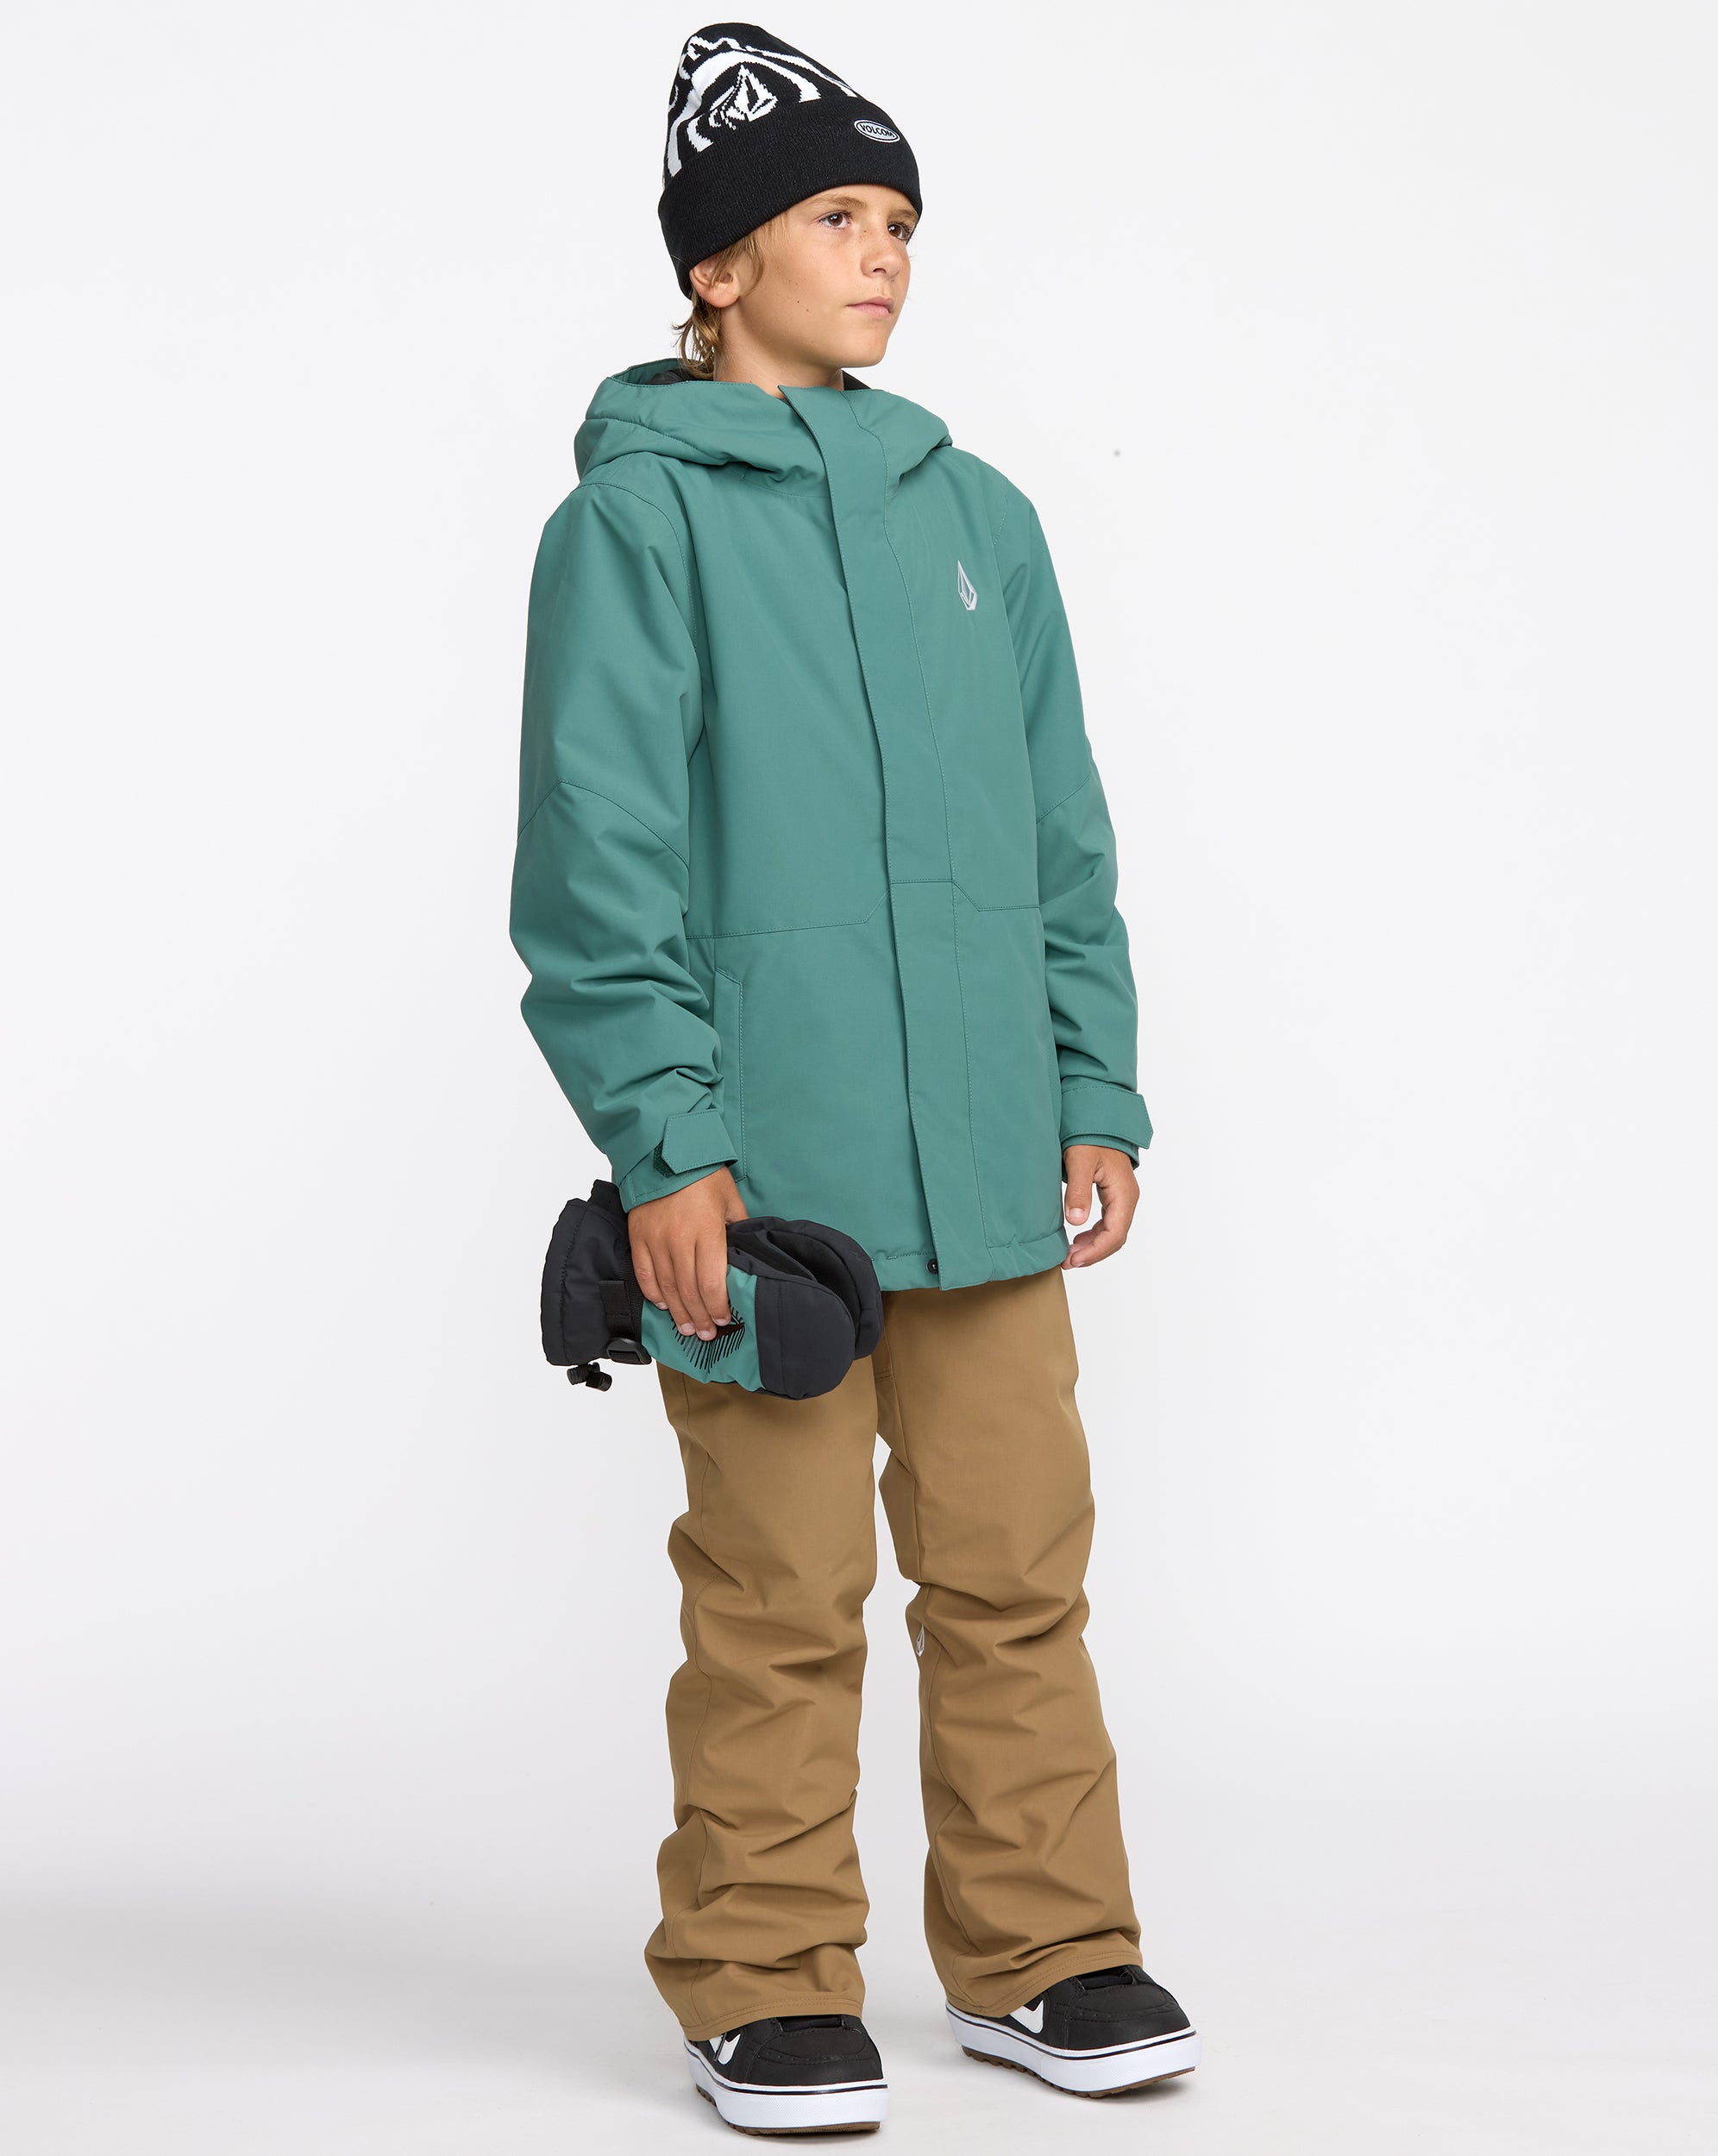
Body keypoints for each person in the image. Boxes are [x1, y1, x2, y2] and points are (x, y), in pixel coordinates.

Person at [509, 21, 1199, 2135]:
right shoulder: (633, 526)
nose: (884, 251)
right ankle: (760, 1972)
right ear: (718, 264)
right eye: (835, 214)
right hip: (767, 1189)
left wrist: (1093, 1083)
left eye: (899, 217)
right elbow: (596, 867)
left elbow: (1058, 832)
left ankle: (1046, 1948)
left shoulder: (978, 517)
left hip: (986, 1165)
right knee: (778, 1595)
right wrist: (668, 1149)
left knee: (1016, 1573)